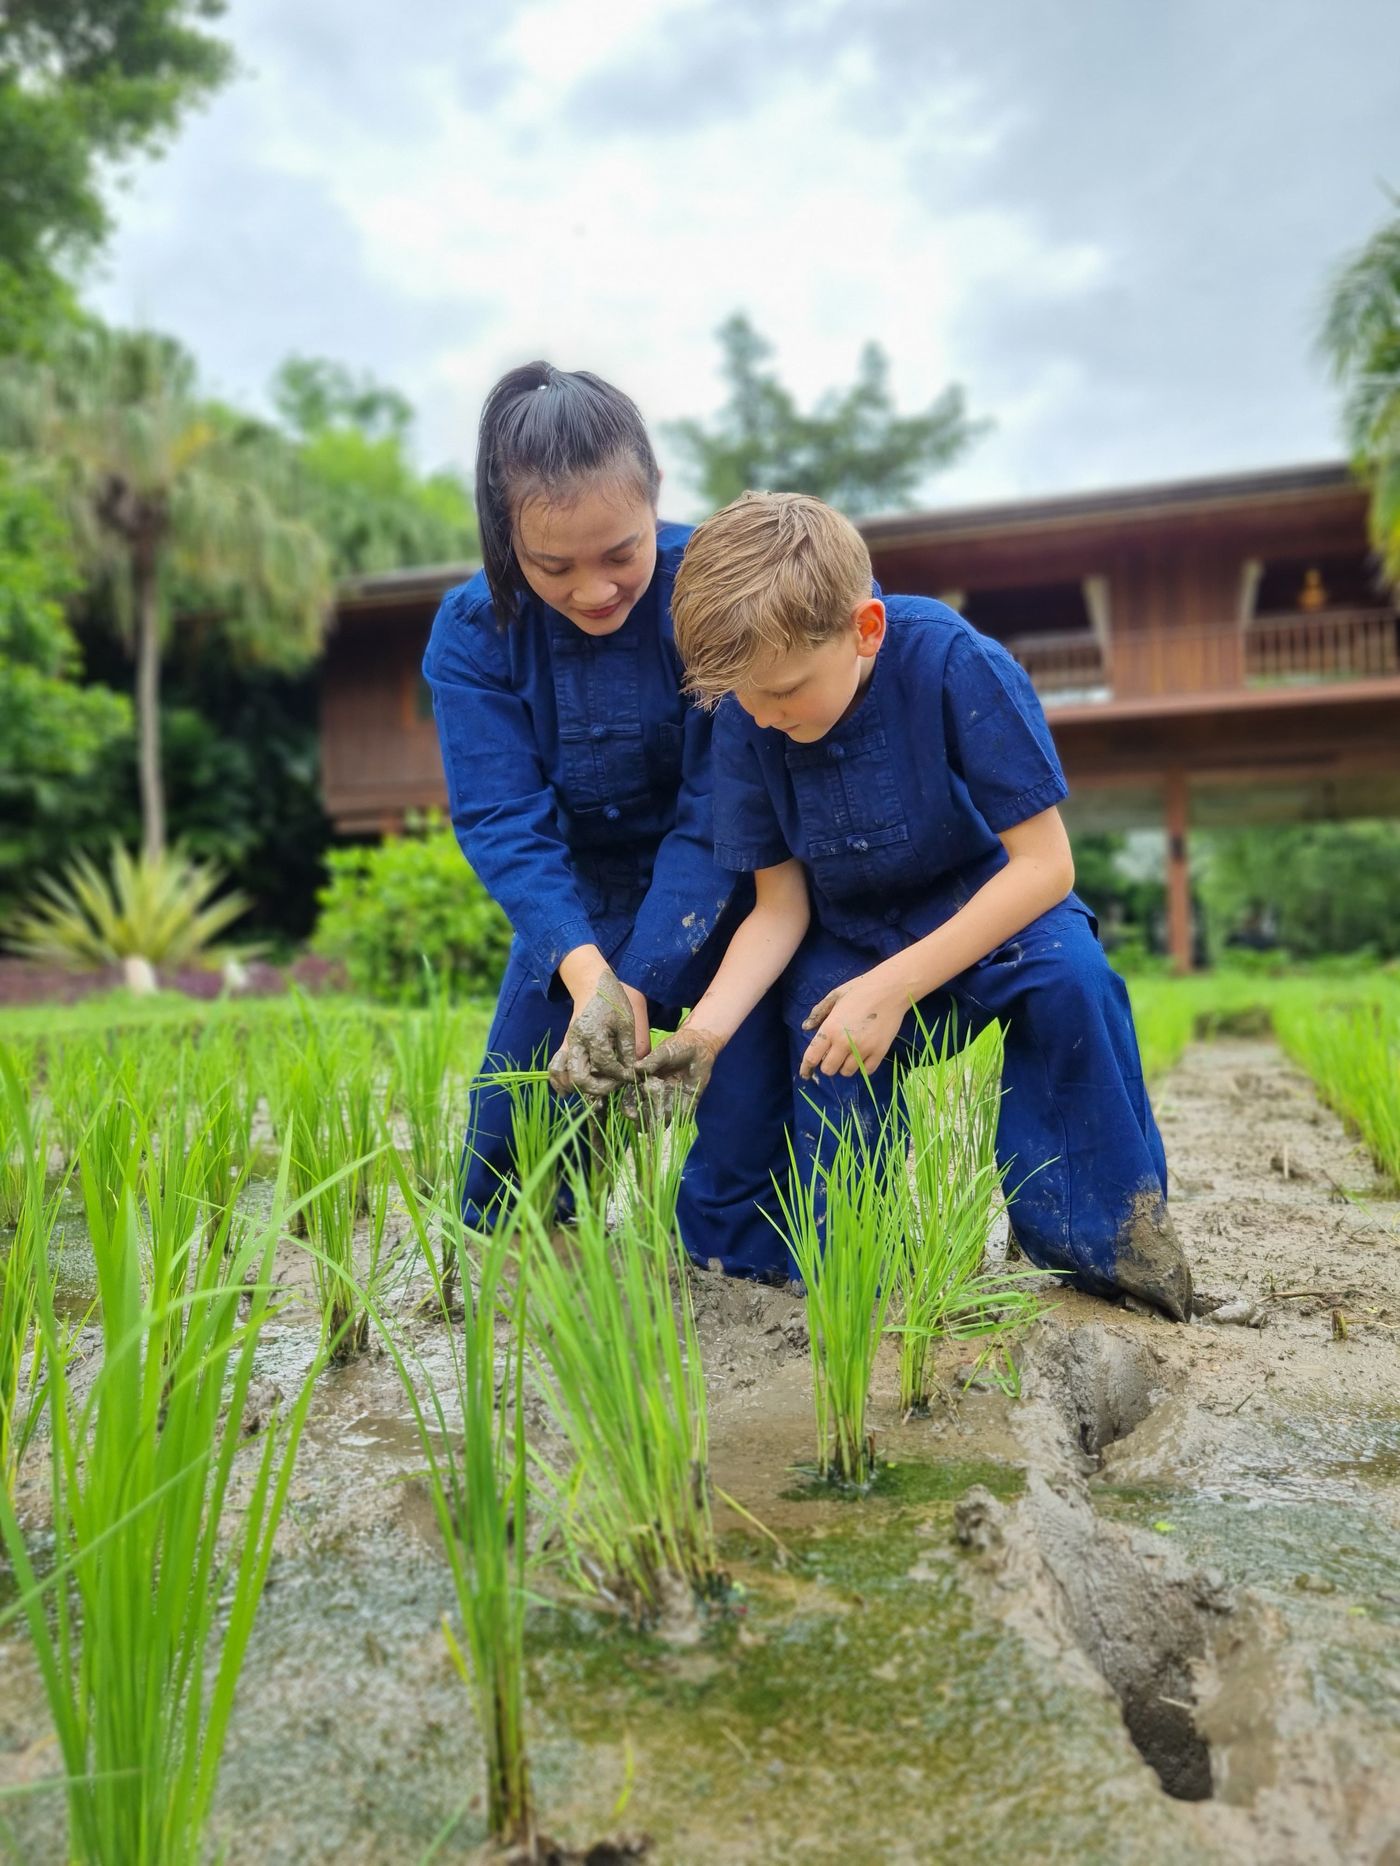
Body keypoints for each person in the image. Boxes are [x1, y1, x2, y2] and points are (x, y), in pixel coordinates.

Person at [637, 491, 1194, 1321]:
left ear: (865, 629)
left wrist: (895, 987)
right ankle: (860, 1275)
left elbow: (1046, 867)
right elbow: (780, 908)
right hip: (852, 930)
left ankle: (1108, 1251)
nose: (765, 716)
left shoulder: (952, 660)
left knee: (1074, 980)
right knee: (821, 1038)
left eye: (784, 691)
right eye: (745, 700)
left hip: (992, 908)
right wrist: (704, 1034)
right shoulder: (750, 720)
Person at [422, 366, 792, 1278]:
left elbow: (718, 809)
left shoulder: (708, 592)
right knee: (507, 1175)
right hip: (579, 902)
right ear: (508, 538)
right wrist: (594, 981)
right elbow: (504, 819)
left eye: (620, 555)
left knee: (749, 1153)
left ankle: (733, 1269)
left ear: (656, 497)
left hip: (721, 887)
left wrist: (652, 977)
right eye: (554, 567)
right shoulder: (471, 632)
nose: (594, 590)